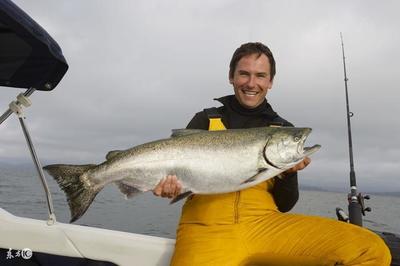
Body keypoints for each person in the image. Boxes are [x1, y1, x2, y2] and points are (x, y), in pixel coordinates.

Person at [153, 42, 391, 265]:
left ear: (270, 81)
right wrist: (170, 186)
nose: (251, 83)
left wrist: (287, 174)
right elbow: (177, 172)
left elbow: (286, 205)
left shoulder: (283, 130)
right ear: (231, 77)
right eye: (244, 73)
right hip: (207, 228)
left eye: (260, 75)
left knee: (371, 249)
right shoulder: (206, 119)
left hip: (266, 226)